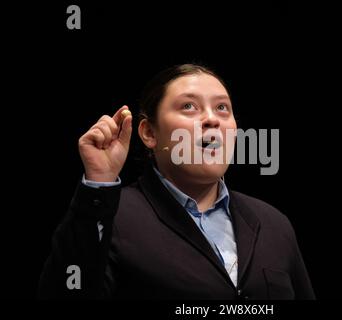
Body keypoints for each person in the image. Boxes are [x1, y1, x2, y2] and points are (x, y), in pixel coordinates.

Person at [38, 64, 315, 299]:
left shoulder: (274, 224)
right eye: (189, 106)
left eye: (222, 108)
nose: (211, 119)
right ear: (148, 133)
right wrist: (99, 182)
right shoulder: (111, 215)